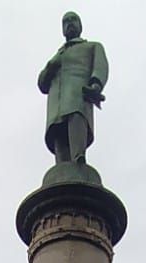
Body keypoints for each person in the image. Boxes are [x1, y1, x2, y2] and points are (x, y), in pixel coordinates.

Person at [38, 11, 108, 167]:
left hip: (77, 95)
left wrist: (96, 84)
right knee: (58, 133)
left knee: (76, 120)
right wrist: (51, 66)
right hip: (56, 104)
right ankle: (62, 169)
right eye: (66, 21)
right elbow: (42, 84)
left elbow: (100, 67)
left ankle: (78, 159)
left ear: (80, 26)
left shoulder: (92, 46)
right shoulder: (58, 55)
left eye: (73, 20)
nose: (69, 23)